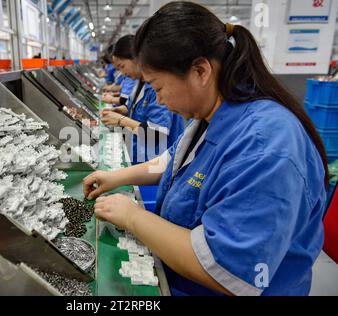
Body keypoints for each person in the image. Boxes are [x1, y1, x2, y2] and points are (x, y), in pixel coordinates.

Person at [84, 1, 328, 296]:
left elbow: (227, 269)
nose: (158, 101)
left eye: (159, 88)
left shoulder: (268, 146)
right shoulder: (213, 114)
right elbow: (173, 161)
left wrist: (133, 216)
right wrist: (119, 177)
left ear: (200, 70)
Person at [101, 34, 185, 165]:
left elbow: (157, 134)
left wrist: (121, 120)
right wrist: (120, 111)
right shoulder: (139, 83)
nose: (122, 73)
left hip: (156, 163)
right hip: (140, 155)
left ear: (136, 58)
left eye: (122, 66)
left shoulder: (156, 87)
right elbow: (133, 107)